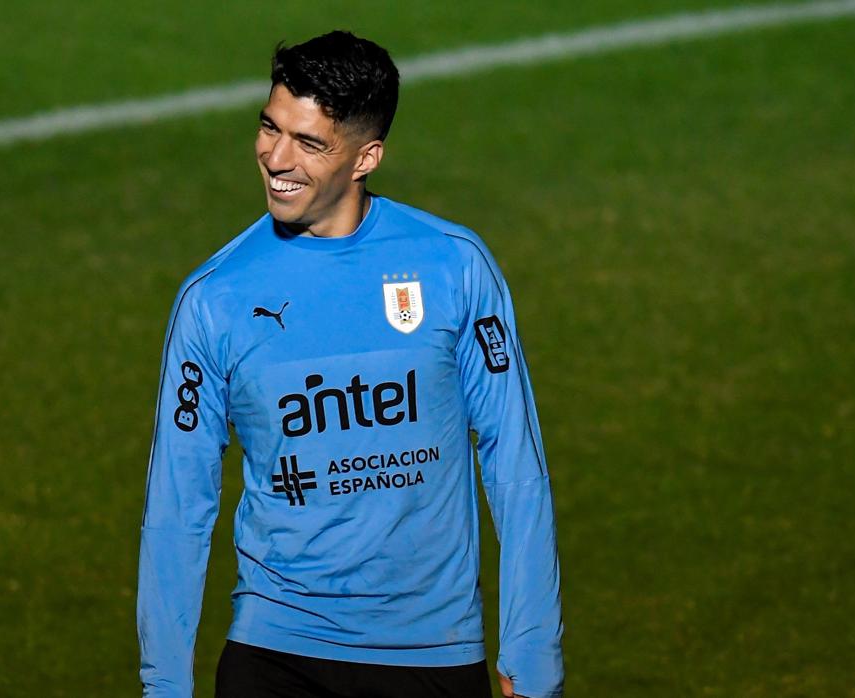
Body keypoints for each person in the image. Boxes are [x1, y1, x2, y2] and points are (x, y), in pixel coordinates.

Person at [137, 31, 563, 698]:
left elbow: (516, 468)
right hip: (274, 654)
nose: (276, 157)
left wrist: (533, 652)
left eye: (309, 143)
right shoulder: (214, 298)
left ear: (366, 157)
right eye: (270, 127)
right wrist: (164, 685)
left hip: (433, 654)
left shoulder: (454, 266)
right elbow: (177, 504)